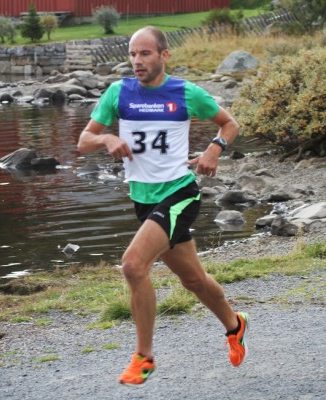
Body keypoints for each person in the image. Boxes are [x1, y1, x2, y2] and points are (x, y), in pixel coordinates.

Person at [77, 26, 248, 386]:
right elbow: (84, 141)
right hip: (143, 198)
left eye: (145, 54)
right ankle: (235, 325)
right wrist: (108, 137)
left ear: (164, 55)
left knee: (133, 266)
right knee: (193, 279)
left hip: (180, 194)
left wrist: (214, 149)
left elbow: (229, 123)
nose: (137, 61)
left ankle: (145, 357)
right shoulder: (118, 93)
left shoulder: (184, 92)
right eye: (133, 54)